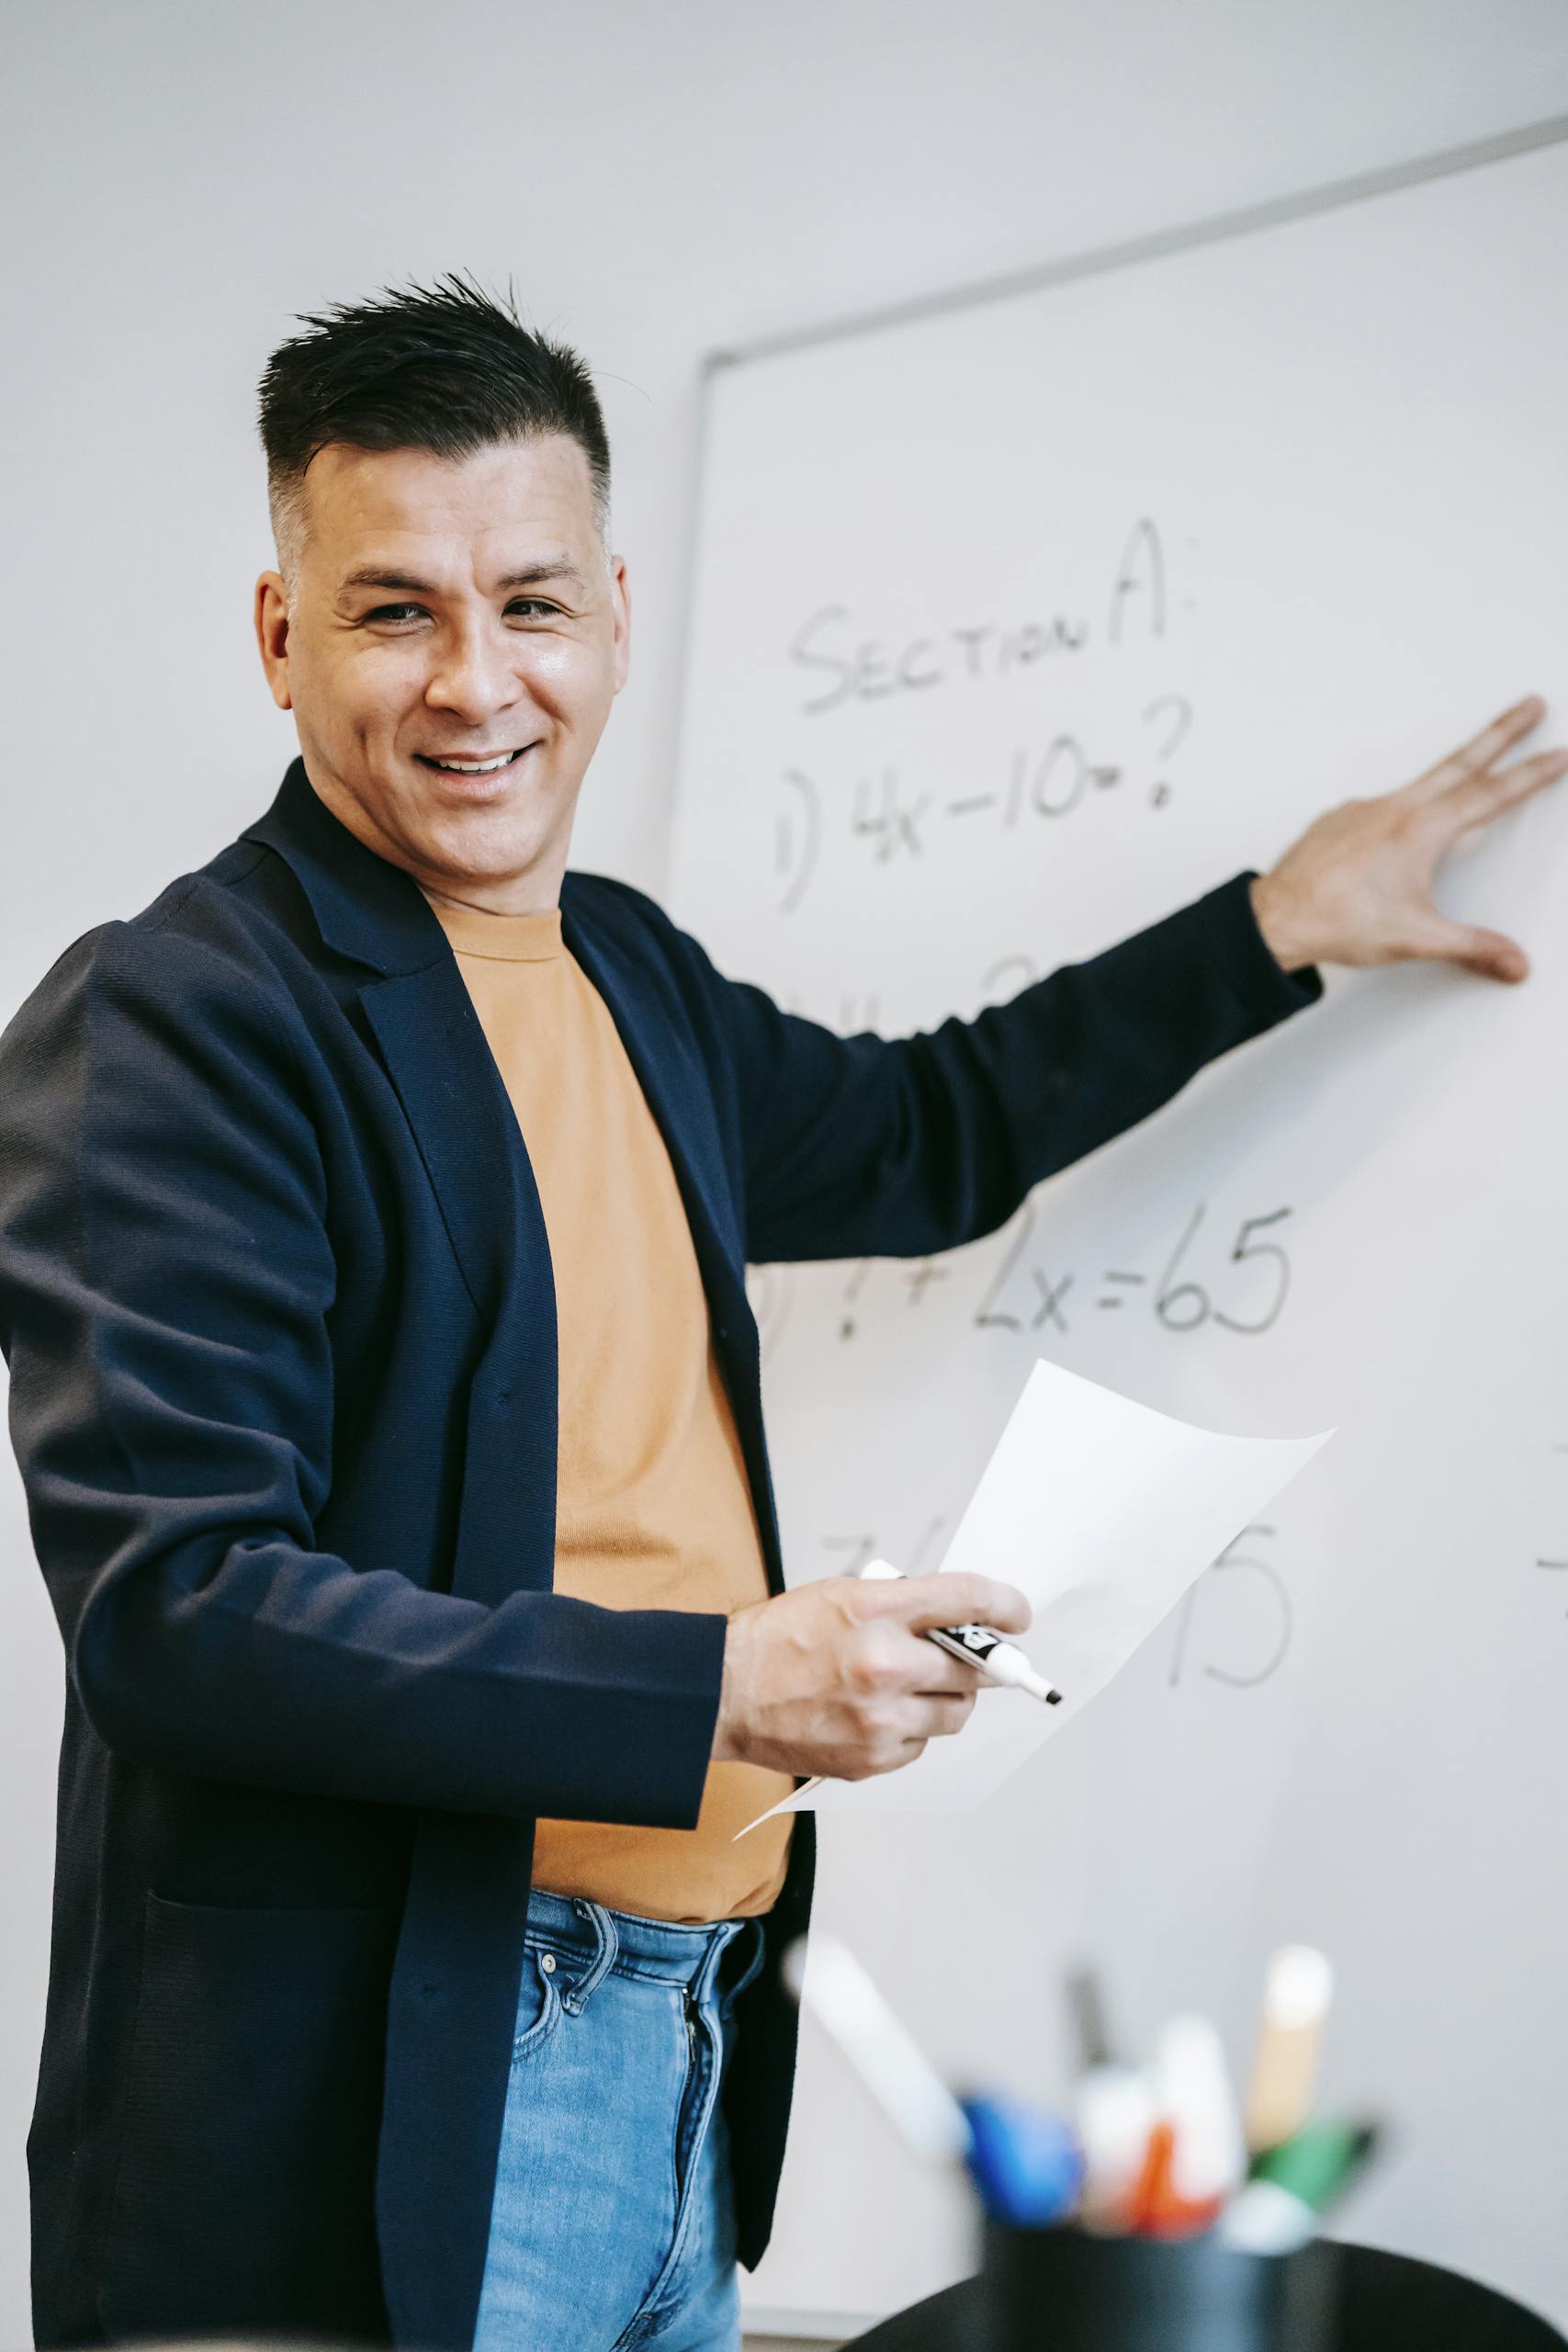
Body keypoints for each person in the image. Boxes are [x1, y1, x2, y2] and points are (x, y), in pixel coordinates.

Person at [0, 276, 1560, 2352]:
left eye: (531, 604)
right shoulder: (174, 1019)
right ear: (283, 637)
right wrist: (720, 1685)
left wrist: (1274, 925)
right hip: (397, 2105)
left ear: (616, 616)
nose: (477, 683)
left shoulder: (632, 972)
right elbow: (181, 1609)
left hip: (686, 2053)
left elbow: (931, 1128)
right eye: (394, 612)